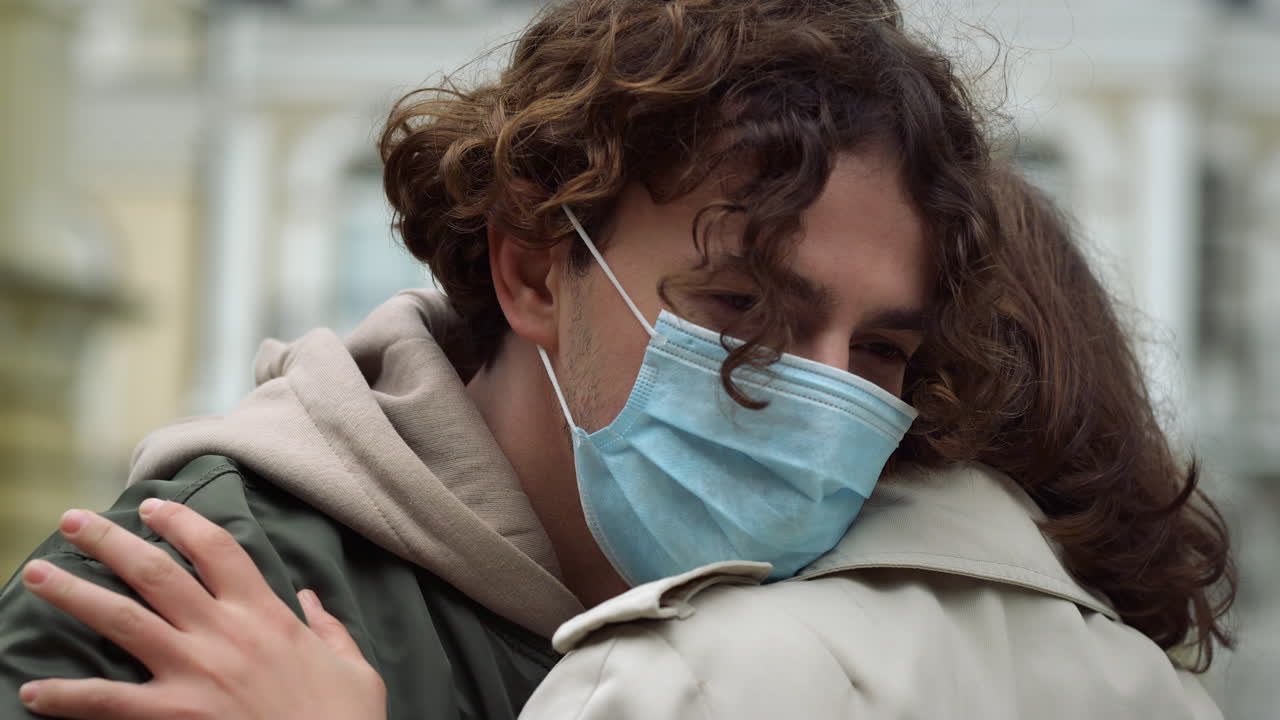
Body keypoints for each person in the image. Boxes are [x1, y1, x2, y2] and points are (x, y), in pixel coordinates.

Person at [1, 0, 1234, 717]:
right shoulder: (211, 592)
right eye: (741, 302)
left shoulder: (823, 633)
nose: (818, 395)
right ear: (536, 270)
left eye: (880, 349)